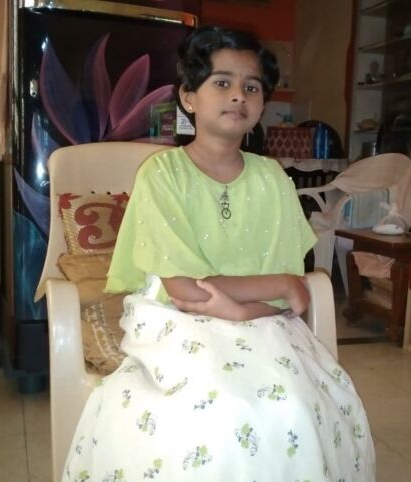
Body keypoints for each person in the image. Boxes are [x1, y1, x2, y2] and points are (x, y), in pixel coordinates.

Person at [62, 25, 375, 481]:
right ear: (189, 97)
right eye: (222, 82)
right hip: (177, 324)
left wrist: (255, 303)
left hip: (265, 325)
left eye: (252, 87)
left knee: (294, 403)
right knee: (218, 409)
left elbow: (292, 297)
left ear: (262, 104)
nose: (238, 96)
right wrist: (274, 288)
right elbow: (185, 290)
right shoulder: (162, 174)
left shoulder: (273, 178)